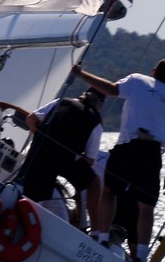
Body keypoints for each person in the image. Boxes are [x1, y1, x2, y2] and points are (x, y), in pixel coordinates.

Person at [72, 59, 165, 262]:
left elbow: (112, 90)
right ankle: (140, 256)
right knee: (146, 206)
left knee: (109, 191)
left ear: (153, 71)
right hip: (153, 154)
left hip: (128, 147)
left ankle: (102, 238)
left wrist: (82, 74)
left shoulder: (138, 80)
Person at [20, 88, 105, 228]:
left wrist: (41, 138)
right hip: (65, 161)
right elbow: (90, 160)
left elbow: (31, 119)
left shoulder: (63, 102)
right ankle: (96, 230)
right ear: (99, 103)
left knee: (36, 191)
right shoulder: (96, 121)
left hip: (38, 155)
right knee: (94, 183)